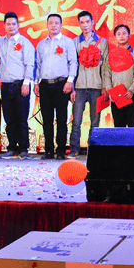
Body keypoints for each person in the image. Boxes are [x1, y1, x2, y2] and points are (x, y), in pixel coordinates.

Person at [34, 13, 77, 160]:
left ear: (61, 25)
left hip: (61, 84)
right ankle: (48, 150)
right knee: (46, 119)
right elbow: (38, 65)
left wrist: (69, 81)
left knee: (62, 119)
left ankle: (60, 150)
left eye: (56, 23)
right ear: (47, 25)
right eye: (50, 22)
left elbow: (73, 62)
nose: (53, 25)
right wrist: (36, 82)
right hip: (45, 85)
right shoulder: (41, 44)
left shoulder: (67, 42)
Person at [0, 12, 35, 159]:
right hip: (5, 86)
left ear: (18, 25)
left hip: (21, 85)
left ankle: (24, 149)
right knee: (9, 119)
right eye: (8, 24)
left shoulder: (25, 42)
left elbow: (30, 64)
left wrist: (26, 83)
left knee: (22, 119)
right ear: (4, 25)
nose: (11, 26)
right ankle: (11, 147)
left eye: (13, 24)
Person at [69, 11, 108, 157]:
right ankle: (74, 149)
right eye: (82, 22)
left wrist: (104, 86)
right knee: (76, 120)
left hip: (96, 87)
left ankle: (93, 150)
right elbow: (72, 66)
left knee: (95, 121)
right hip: (79, 87)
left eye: (87, 22)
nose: (85, 25)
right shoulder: (74, 42)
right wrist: (72, 87)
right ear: (79, 24)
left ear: (92, 22)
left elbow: (105, 67)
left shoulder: (102, 42)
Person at [102, 24, 134, 128]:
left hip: (132, 95)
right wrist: (110, 91)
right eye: (118, 34)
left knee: (133, 127)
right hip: (116, 96)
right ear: (115, 37)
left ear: (129, 35)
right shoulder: (110, 55)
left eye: (124, 33)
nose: (122, 36)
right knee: (119, 128)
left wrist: (132, 90)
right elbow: (107, 75)